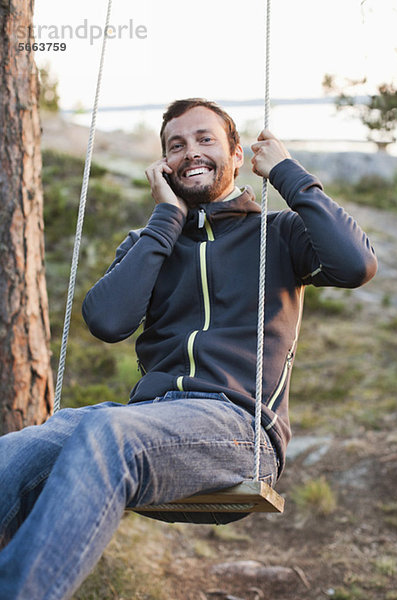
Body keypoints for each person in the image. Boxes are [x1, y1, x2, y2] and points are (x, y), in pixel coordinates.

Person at [0, 98, 377, 599]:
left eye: (205, 140)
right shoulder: (150, 240)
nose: (190, 152)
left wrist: (287, 173)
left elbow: (356, 265)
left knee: (109, 432)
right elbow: (108, 321)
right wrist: (165, 220)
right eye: (176, 145)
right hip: (150, 419)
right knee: (15, 453)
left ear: (238, 155)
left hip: (238, 428)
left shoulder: (279, 234)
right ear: (163, 165)